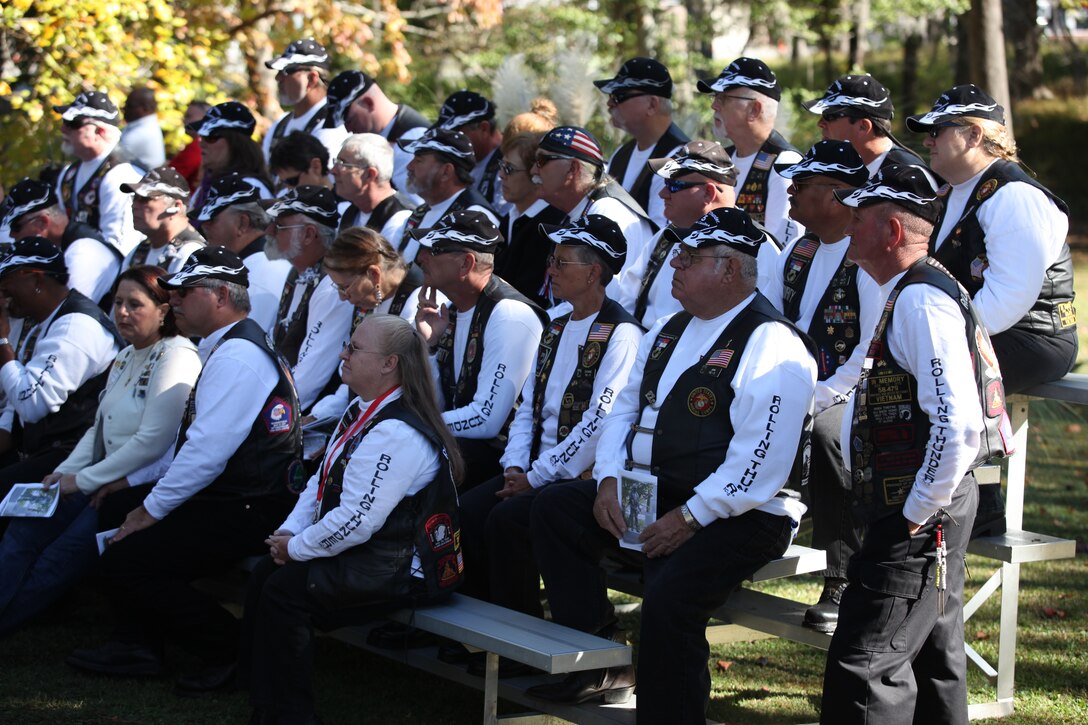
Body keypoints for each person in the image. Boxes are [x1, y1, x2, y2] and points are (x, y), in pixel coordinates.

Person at [527, 207, 816, 722]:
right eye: (677, 254)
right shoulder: (667, 327)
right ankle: (596, 663)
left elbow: (761, 463)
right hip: (653, 493)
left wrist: (690, 517)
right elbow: (622, 411)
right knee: (550, 509)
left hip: (743, 514)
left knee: (669, 602)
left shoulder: (772, 342)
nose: (675, 265)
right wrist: (609, 480)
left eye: (690, 257)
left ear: (730, 269)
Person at [820, 164, 1011, 725]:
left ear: (893, 232)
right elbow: (857, 369)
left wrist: (916, 513)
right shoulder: (909, 289)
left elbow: (958, 425)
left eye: (860, 217)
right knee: (932, 651)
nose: (848, 226)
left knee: (865, 662)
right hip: (923, 502)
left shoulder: (921, 301)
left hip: (921, 508)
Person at [67, 247, 302, 694]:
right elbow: (197, 449)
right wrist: (134, 487)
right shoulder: (233, 343)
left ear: (219, 297)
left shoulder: (236, 355)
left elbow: (206, 454)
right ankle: (137, 643)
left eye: (183, 292)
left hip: (251, 505)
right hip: (238, 494)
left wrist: (149, 510)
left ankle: (229, 649)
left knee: (129, 559)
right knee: (116, 504)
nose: (173, 300)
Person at [242, 313, 465, 724]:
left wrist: (297, 549)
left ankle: (288, 715)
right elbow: (321, 483)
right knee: (264, 576)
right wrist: (290, 532)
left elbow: (358, 520)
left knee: (285, 591)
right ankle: (259, 694)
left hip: (401, 568)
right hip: (370, 552)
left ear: (389, 364)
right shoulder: (362, 409)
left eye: (355, 348)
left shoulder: (396, 431)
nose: (344, 354)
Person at [454, 216, 641, 674]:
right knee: (470, 513)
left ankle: (533, 643)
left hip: (579, 475)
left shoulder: (622, 334)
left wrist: (534, 477)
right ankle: (495, 637)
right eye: (551, 259)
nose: (550, 269)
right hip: (536, 468)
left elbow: (598, 422)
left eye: (561, 261)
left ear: (594, 272)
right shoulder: (555, 323)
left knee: (508, 519)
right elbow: (528, 408)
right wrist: (516, 466)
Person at [907, 84, 1075, 534]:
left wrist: (942, 342)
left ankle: (977, 505)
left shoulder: (1015, 196)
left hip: (1033, 337)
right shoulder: (958, 191)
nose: (927, 140)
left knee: (939, 375)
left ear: (975, 136)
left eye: (938, 130)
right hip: (987, 330)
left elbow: (1010, 298)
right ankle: (948, 499)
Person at [0, 265, 199, 636]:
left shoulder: (177, 356)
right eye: (118, 302)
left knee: (62, 557)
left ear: (163, 310)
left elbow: (153, 441)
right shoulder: (125, 356)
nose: (122, 312)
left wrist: (83, 479)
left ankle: (7, 622)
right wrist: (66, 473)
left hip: (135, 487)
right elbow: (99, 427)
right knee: (24, 530)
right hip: (97, 478)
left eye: (134, 304)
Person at [762, 141, 882, 633]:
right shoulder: (799, 246)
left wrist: (819, 396)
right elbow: (769, 321)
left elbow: (870, 351)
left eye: (803, 185)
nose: (789, 192)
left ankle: (841, 579)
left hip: (854, 392)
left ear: (837, 195)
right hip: (796, 382)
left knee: (831, 433)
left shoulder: (868, 255)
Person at [413, 211, 546, 487]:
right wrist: (430, 347)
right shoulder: (450, 313)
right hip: (466, 448)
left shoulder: (509, 314)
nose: (419, 258)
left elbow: (486, 420)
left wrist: (415, 425)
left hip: (502, 460)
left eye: (433, 250)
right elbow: (441, 404)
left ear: (466, 263)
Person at [0, 238, 122, 497]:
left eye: (7, 287)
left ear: (35, 280)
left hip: (72, 459)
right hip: (40, 449)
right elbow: (16, 399)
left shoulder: (75, 327)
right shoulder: (46, 323)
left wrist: (2, 341)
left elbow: (31, 405)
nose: (4, 299)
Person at [633, 139, 778, 327]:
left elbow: (758, 323)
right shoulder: (666, 235)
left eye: (673, 185)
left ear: (709, 193)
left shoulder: (755, 247)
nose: (662, 193)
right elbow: (628, 296)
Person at [307, 227, 433, 425]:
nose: (342, 297)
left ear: (374, 275)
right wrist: (318, 416)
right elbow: (354, 378)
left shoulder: (417, 303)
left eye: (345, 287)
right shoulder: (372, 300)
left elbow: (404, 387)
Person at [529, 125, 655, 314]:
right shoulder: (586, 209)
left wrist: (535, 321)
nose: (533, 170)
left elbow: (601, 302)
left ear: (572, 168)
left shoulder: (607, 214)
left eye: (542, 161)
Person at [697, 57, 804, 247]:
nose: (714, 106)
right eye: (714, 97)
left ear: (754, 109)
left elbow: (778, 248)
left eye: (723, 98)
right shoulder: (720, 158)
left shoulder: (784, 164)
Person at [266, 185, 354, 413]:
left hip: (303, 420)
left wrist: (264, 414)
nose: (270, 232)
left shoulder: (334, 284)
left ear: (309, 234)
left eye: (280, 226)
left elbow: (309, 377)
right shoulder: (297, 272)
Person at [594, 57, 689, 230]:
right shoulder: (622, 153)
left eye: (619, 96)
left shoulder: (681, 159)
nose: (609, 104)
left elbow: (659, 234)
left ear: (652, 104)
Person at [1, 177, 122, 306]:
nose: (11, 235)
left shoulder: (84, 252)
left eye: (16, 227)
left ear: (42, 223)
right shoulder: (67, 247)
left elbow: (59, 309)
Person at [195, 174, 291, 333]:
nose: (204, 226)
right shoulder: (253, 265)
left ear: (243, 223)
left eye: (212, 219)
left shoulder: (261, 272)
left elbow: (245, 338)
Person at [53, 90, 145, 257]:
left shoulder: (122, 176)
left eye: (73, 123)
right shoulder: (68, 173)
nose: (63, 129)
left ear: (100, 132)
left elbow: (119, 248)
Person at [396, 128, 498, 262]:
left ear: (446, 171)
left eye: (419, 160)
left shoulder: (473, 218)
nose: (409, 166)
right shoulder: (422, 210)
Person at [324, 70, 430, 198]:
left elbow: (415, 203)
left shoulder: (411, 140)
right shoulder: (398, 134)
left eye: (350, 120)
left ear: (368, 103)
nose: (348, 130)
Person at [492, 131, 566, 308]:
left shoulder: (549, 226)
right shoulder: (510, 218)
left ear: (535, 174)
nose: (501, 174)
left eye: (509, 169)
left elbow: (529, 295)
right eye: (501, 165)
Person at [803, 74, 925, 177]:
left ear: (863, 127)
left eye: (830, 116)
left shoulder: (906, 175)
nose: (820, 124)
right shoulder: (842, 165)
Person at [261, 38, 349, 164]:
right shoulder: (279, 125)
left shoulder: (333, 125)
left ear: (312, 78)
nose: (278, 78)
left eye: (286, 71)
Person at [187, 102, 275, 214]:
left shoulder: (250, 188)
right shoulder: (206, 185)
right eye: (201, 137)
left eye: (211, 137)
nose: (201, 144)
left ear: (235, 144)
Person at [433, 90, 509, 216]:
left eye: (456, 134)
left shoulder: (508, 164)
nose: (449, 141)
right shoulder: (462, 162)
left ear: (484, 128)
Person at [120, 166, 205, 274]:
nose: (134, 205)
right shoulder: (139, 251)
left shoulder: (192, 254)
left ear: (176, 206)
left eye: (145, 199)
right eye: (135, 198)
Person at [332, 133, 415, 243]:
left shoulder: (400, 220)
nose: (333, 171)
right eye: (336, 162)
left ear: (370, 174)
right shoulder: (351, 212)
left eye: (343, 164)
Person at [120, 87, 166, 171]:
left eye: (129, 105)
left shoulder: (144, 132)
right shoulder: (144, 126)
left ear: (146, 108)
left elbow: (110, 157)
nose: (123, 108)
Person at [169, 101, 210, 190]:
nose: (184, 120)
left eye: (189, 116)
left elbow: (169, 180)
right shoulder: (200, 144)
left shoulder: (198, 146)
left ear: (204, 120)